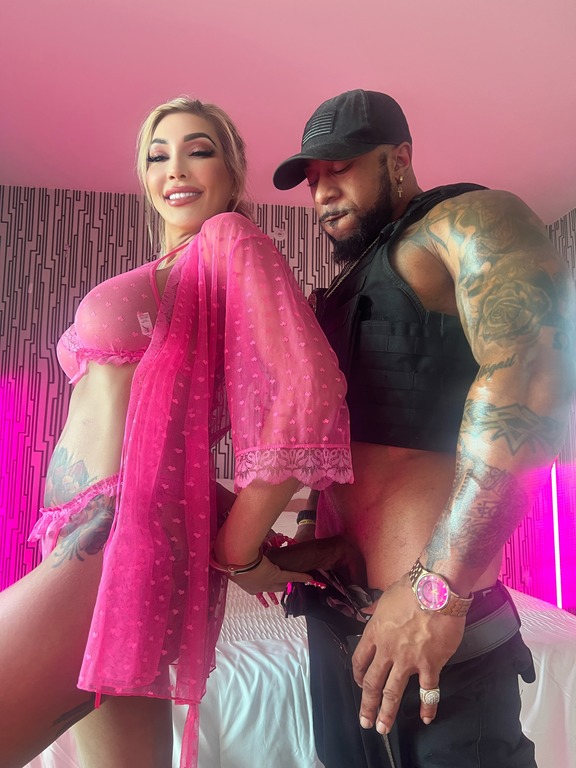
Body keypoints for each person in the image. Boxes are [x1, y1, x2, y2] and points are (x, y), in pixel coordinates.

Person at [0, 96, 353, 768]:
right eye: (157, 155)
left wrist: (237, 551)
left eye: (199, 150)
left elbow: (308, 392)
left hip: (115, 543)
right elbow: (165, 452)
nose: (175, 169)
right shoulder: (177, 270)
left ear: (233, 170)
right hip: (91, 537)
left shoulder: (229, 240)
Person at [268, 89, 576, 767]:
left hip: (432, 623)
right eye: (312, 180)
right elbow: (344, 447)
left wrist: (438, 590)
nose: (322, 193)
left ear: (399, 159)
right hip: (336, 624)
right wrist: (312, 537)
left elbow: (535, 374)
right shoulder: (343, 290)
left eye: (340, 169)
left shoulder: (469, 220)